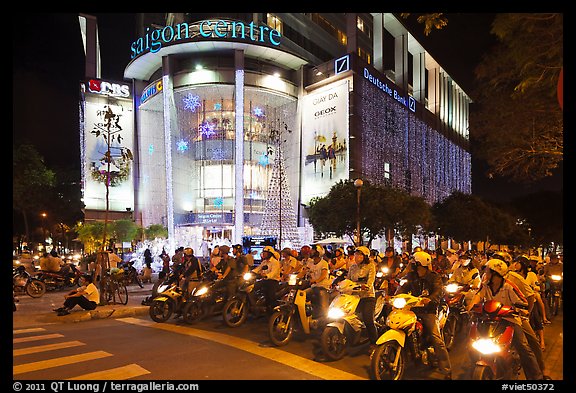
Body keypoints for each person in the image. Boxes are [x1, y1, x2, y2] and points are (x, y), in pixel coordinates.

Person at [466, 259, 544, 380]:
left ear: (496, 274)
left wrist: (522, 310)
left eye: (488, 271)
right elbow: (478, 296)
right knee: (472, 342)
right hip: (489, 320)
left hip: (510, 321)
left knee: (523, 347)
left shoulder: (509, 287)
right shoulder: (485, 285)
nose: (485, 274)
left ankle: (537, 377)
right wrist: (471, 307)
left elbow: (523, 301)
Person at [396, 250, 452, 380]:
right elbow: (403, 288)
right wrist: (394, 297)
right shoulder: (411, 276)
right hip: (412, 309)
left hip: (429, 311)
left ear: (423, 264)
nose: (413, 266)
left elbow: (438, 291)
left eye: (416, 264)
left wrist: (430, 299)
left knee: (436, 338)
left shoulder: (434, 277)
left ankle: (446, 370)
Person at [345, 246, 378, 351]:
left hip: (367, 297)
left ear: (365, 256)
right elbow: (348, 280)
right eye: (356, 254)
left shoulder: (371, 266)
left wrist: (366, 286)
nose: (356, 256)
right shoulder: (352, 267)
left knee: (368, 319)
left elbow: (370, 281)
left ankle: (374, 343)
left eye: (359, 254)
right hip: (354, 296)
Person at [301, 246, 332, 319]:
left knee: (323, 308)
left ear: (318, 252)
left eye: (313, 250)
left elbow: (323, 275)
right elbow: (304, 271)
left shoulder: (324, 263)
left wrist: (316, 281)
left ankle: (323, 320)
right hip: (313, 287)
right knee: (301, 295)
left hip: (322, 287)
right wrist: (296, 277)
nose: (311, 251)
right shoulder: (310, 262)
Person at [252, 246, 282, 314]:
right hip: (265, 280)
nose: (264, 254)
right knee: (253, 286)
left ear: (270, 253)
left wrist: (266, 275)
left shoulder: (275, 262)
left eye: (265, 253)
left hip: (273, 281)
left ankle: (275, 309)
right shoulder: (264, 262)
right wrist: (251, 272)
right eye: (263, 253)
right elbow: (258, 268)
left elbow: (273, 273)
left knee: (271, 295)